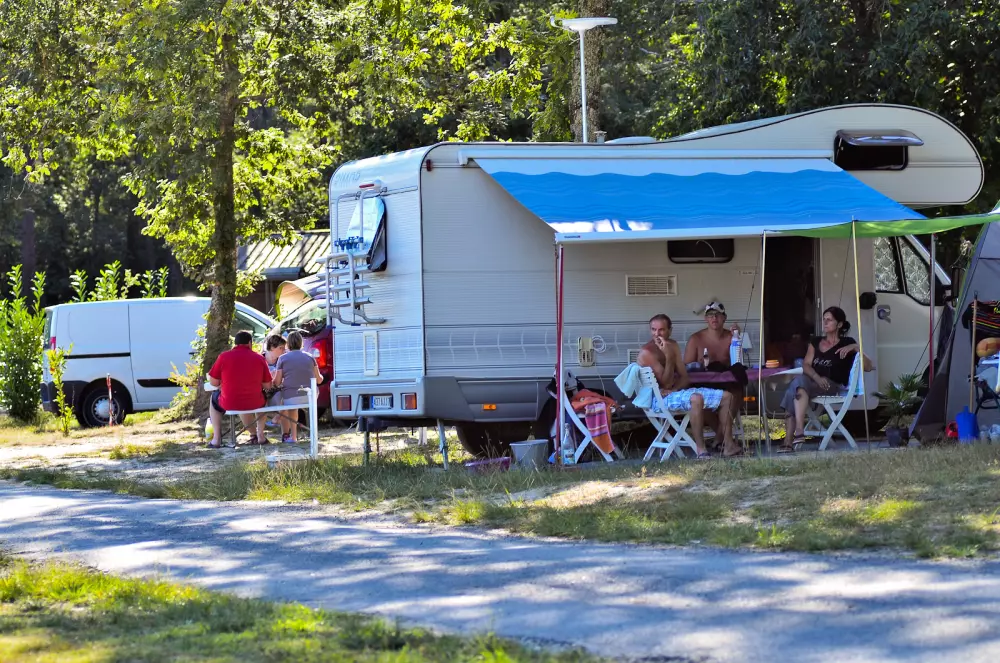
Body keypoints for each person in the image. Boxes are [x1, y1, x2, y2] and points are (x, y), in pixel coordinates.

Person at [637, 314, 740, 458]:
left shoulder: (672, 345)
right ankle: (701, 450)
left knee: (727, 396)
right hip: (658, 399)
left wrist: (674, 389)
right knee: (696, 398)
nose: (657, 334)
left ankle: (728, 446)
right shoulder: (647, 352)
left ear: (670, 330)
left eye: (661, 330)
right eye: (653, 330)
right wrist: (669, 356)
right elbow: (666, 382)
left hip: (672, 393)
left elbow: (684, 377)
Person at [778, 306, 873, 453]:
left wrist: (856, 347)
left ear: (839, 324)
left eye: (829, 320)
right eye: (824, 319)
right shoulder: (816, 342)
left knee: (796, 385)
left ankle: (790, 440)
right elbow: (806, 364)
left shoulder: (847, 342)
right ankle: (798, 432)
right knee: (797, 385)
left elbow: (869, 367)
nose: (825, 322)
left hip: (832, 385)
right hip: (813, 382)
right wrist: (816, 376)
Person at [683, 301, 743, 451]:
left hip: (724, 380)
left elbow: (737, 362)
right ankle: (722, 437)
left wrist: (737, 335)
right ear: (705, 319)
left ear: (724, 318)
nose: (714, 318)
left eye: (718, 315)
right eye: (710, 315)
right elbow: (686, 367)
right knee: (704, 399)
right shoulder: (696, 339)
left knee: (737, 391)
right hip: (703, 381)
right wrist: (701, 364)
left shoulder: (731, 337)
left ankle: (719, 438)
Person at [207, 330, 273, 448]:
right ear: (249, 343)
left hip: (229, 402)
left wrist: (222, 386)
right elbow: (268, 386)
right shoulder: (259, 358)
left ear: (235, 343)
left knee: (213, 398)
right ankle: (260, 435)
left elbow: (213, 381)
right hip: (255, 402)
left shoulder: (223, 357)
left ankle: (216, 439)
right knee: (263, 399)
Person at [273, 331, 324, 444]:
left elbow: (277, 382)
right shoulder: (310, 357)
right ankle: (313, 434)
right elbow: (319, 380)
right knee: (312, 397)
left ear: (288, 344)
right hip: (310, 396)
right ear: (301, 343)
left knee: (292, 407)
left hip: (291, 397)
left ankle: (294, 437)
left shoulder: (282, 358)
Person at [262, 334, 287, 428]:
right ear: (272, 347)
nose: (284, 351)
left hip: (278, 391)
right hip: (263, 392)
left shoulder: (283, 360)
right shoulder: (260, 359)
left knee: (284, 396)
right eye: (281, 348)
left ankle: (285, 433)